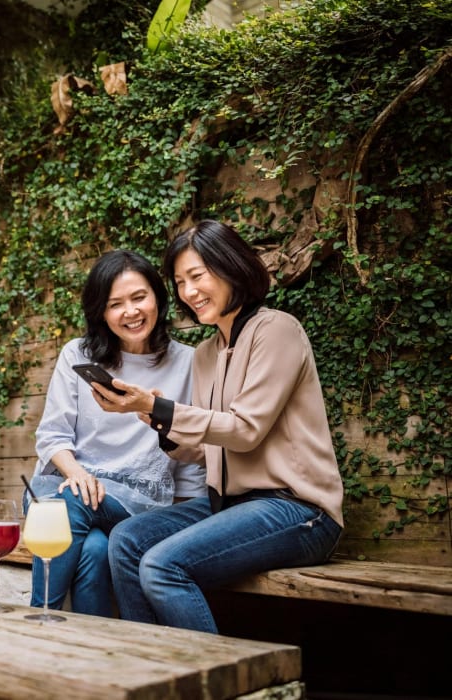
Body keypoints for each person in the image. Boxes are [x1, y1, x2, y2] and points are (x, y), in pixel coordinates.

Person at [91, 220, 344, 633]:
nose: (189, 292)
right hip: (227, 504)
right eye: (180, 282)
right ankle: (152, 671)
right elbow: (209, 447)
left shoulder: (277, 330)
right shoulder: (206, 353)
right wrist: (158, 420)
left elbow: (246, 430)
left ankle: (217, 680)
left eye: (198, 276)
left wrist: (164, 407)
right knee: (127, 540)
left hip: (299, 510)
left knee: (162, 565)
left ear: (230, 268)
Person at [26, 250, 205, 617]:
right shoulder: (77, 355)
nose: (131, 312)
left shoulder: (189, 362)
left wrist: (186, 518)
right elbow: (52, 437)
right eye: (115, 304)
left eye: (139, 297)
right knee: (91, 547)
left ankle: (37, 620)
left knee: (59, 503)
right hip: (74, 488)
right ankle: (100, 655)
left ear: (158, 296)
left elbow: (192, 451)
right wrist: (78, 474)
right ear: (101, 313)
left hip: (137, 503)